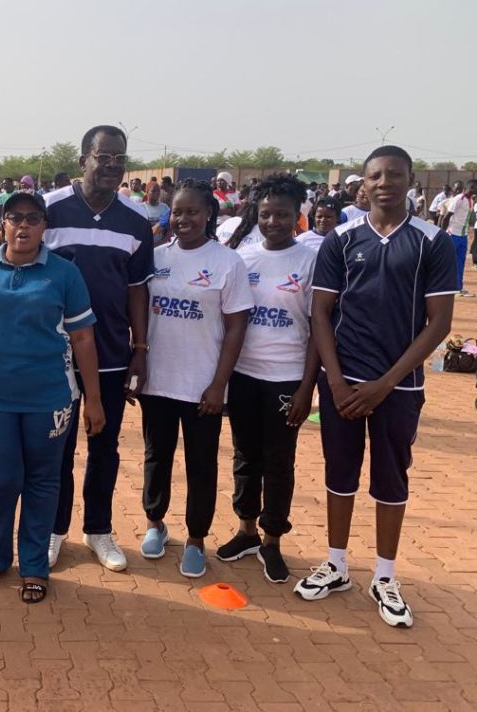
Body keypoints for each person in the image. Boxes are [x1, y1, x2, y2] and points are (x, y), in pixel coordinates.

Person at [294, 146, 456, 629]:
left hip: (398, 387)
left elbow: (439, 323)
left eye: (394, 175)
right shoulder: (341, 239)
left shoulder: (431, 241)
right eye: (376, 176)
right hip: (342, 383)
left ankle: (385, 576)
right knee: (339, 473)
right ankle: (336, 563)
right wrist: (335, 381)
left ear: (411, 181)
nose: (385, 183)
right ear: (363, 184)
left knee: (391, 478)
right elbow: (321, 312)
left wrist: (385, 384)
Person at [0, 192, 105, 603]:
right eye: (15, 217)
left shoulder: (64, 273)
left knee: (42, 480)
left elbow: (83, 337)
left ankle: (35, 565)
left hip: (50, 398)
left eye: (33, 218)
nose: (23, 225)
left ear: (44, 226)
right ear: (2, 223)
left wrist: (94, 400)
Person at [43, 125, 155, 573]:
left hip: (109, 355)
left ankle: (98, 529)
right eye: (103, 156)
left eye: (119, 158)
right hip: (53, 357)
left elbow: (137, 290)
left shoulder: (136, 220)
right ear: (83, 160)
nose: (112, 165)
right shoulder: (49, 209)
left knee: (104, 447)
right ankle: (54, 530)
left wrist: (140, 348)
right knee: (57, 449)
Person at [138, 180, 252, 577]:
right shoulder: (155, 257)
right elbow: (140, 312)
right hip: (158, 380)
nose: (183, 219)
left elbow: (236, 327)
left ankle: (196, 539)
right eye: (177, 211)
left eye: (192, 211)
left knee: (201, 464)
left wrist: (219, 384)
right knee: (156, 457)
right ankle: (155, 524)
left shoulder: (227, 262)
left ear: (209, 214)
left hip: (203, 385)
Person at [218, 174, 318, 584]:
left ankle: (273, 539)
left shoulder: (310, 261)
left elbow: (318, 330)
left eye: (282, 215)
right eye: (265, 215)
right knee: (245, 456)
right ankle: (246, 531)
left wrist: (306, 389)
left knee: (279, 461)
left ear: (297, 217)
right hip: (244, 375)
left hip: (286, 378)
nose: (273, 222)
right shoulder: (243, 258)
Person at [438, 180, 472, 295]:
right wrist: (442, 235)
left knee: (460, 262)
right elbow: (446, 217)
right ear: (472, 188)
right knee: (446, 262)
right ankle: (441, 286)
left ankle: (458, 287)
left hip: (463, 236)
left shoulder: (471, 200)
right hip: (452, 235)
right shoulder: (458, 199)